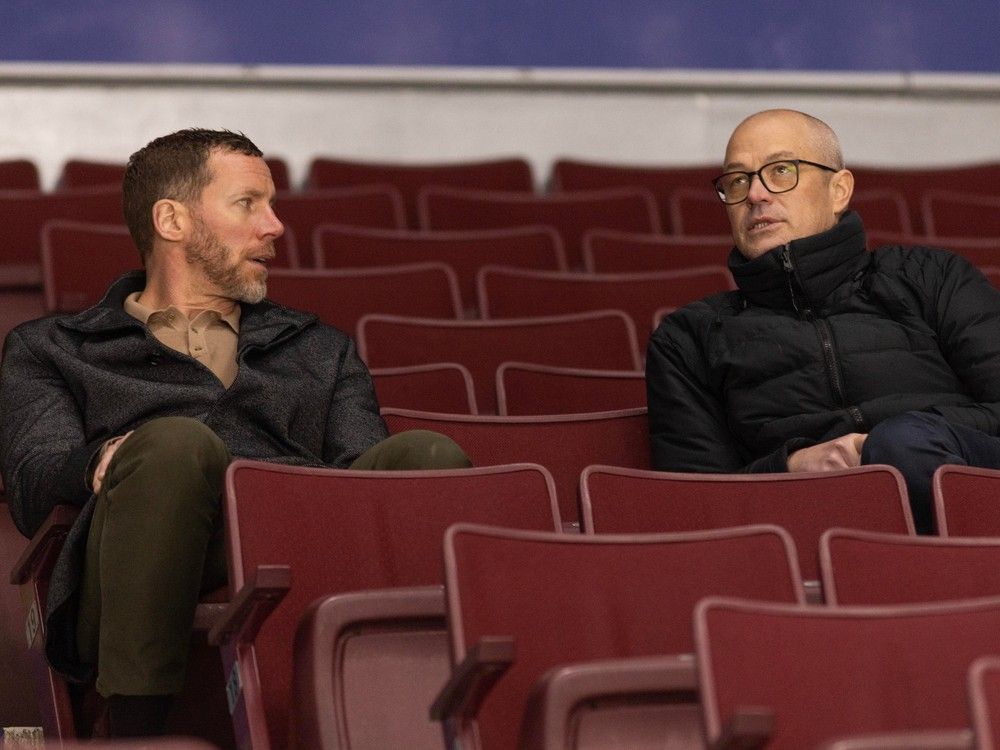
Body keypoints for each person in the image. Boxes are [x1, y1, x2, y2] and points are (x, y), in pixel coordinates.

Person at [0, 128, 470, 737]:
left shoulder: (315, 347)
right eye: (248, 204)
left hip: (290, 532)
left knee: (427, 454)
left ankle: (409, 716)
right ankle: (135, 733)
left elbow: (363, 480)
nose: (274, 227)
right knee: (175, 445)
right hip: (130, 555)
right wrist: (99, 460)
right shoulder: (56, 348)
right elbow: (34, 485)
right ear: (171, 219)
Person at [646, 108, 1000, 535]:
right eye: (737, 181)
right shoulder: (688, 339)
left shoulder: (932, 277)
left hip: (964, 485)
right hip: (806, 520)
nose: (756, 194)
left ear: (839, 190)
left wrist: (889, 443)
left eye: (781, 171)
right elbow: (697, 504)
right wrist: (792, 464)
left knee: (904, 441)